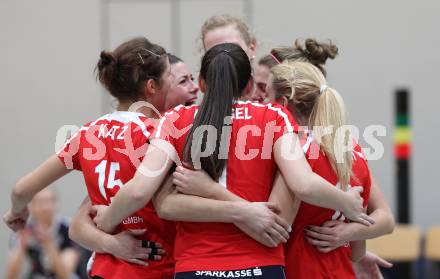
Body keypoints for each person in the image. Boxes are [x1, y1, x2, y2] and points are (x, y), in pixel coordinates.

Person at [92, 43, 371, 279]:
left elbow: (141, 190)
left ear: (201, 82)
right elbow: (303, 183)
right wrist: (346, 202)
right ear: (249, 85)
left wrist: (108, 220)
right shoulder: (273, 116)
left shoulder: (175, 119)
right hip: (261, 265)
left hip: (196, 266)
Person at [3, 37, 176, 279]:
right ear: (151, 87)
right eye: (170, 76)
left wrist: (16, 213)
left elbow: (22, 190)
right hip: (156, 267)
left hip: (104, 270)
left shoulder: (88, 132)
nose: (173, 82)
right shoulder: (157, 132)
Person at [67, 53, 199, 269]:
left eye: (193, 79)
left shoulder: (186, 133)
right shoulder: (142, 136)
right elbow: (79, 225)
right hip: (140, 268)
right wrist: (112, 243)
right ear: (155, 87)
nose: (195, 87)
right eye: (183, 81)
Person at [6, 189, 81, 279]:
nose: (45, 207)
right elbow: (10, 276)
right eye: (40, 202)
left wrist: (48, 243)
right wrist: (22, 245)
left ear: (56, 204)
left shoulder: (68, 228)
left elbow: (65, 275)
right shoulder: (24, 230)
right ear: (31, 207)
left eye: (49, 201)